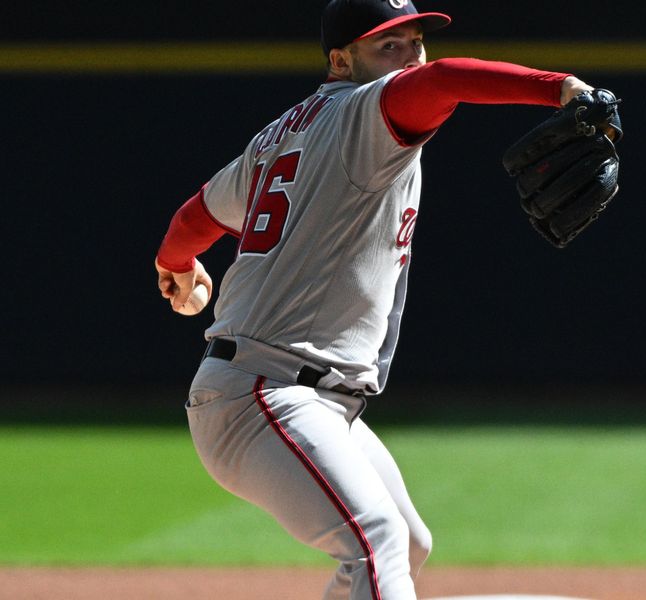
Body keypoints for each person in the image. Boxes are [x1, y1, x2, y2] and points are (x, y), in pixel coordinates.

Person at [155, 1, 597, 598]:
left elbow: (196, 215)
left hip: (305, 395)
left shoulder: (279, 135)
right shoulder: (367, 111)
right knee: (376, 540)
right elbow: (442, 81)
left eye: (415, 40)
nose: (410, 56)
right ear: (341, 60)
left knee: (409, 543)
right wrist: (561, 88)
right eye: (388, 45)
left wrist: (175, 264)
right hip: (265, 392)